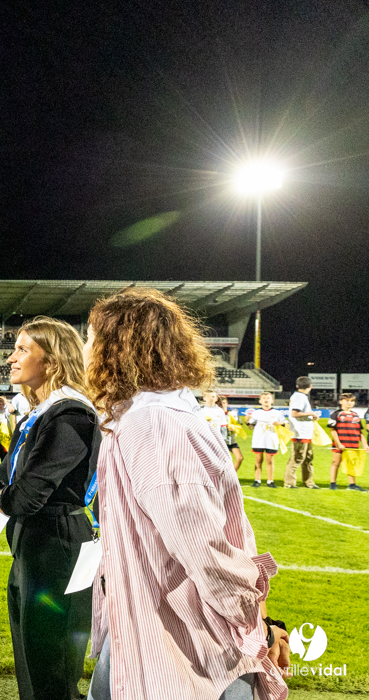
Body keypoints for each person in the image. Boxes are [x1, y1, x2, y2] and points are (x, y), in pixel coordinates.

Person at [81, 287, 289, 700]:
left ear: (118, 347)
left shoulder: (154, 424)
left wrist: (258, 624)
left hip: (184, 649)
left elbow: (204, 551)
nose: (85, 349)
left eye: (90, 338)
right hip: (150, 633)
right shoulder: (145, 418)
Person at [0, 317, 99, 700]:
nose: (11, 358)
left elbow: (21, 498)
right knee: (34, 668)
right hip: (34, 546)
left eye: (22, 349)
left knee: (53, 674)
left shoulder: (72, 416)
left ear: (52, 359)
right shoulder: (38, 414)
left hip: (58, 547)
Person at [284, 376, 319, 489]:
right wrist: (311, 414)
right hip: (300, 433)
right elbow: (295, 413)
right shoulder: (299, 397)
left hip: (305, 433)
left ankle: (308, 482)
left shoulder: (300, 396)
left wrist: (309, 416)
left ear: (297, 385)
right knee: (297, 458)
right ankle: (289, 483)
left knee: (308, 458)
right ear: (310, 386)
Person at [245, 391, 286, 488]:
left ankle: (270, 481)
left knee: (270, 461)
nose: (266, 400)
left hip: (271, 440)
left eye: (268, 398)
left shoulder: (277, 413)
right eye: (264, 398)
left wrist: (280, 423)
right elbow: (251, 427)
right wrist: (247, 421)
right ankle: (257, 480)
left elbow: (286, 425)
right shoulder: (256, 413)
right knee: (258, 460)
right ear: (260, 401)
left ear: (272, 401)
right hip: (258, 440)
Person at [328, 392, 367, 491]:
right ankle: (333, 483)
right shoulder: (336, 414)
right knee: (335, 463)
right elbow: (332, 430)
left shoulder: (355, 415)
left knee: (351, 464)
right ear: (341, 401)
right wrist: (338, 443)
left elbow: (359, 431)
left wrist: (365, 444)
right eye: (347, 401)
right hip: (340, 444)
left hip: (353, 444)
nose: (350, 403)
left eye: (352, 401)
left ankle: (352, 484)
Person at [218, 394, 243, 472]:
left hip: (231, 441)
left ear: (227, 403)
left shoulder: (232, 414)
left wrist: (234, 427)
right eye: (220, 403)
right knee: (221, 462)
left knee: (239, 458)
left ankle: (231, 475)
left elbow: (239, 425)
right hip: (220, 442)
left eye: (224, 403)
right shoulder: (216, 415)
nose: (222, 405)